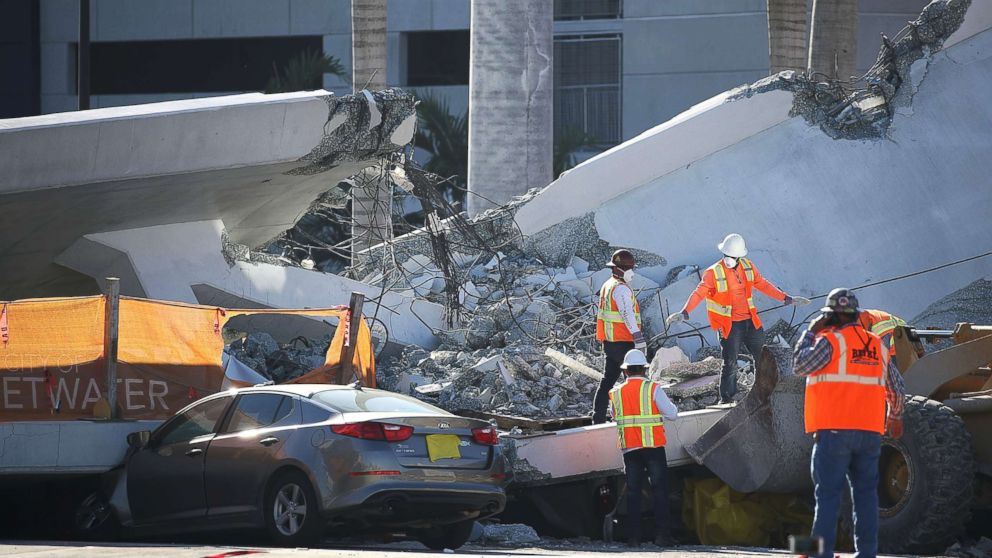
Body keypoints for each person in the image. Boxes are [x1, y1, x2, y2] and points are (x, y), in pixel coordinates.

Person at [793, 288, 906, 558]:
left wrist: (810, 331)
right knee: (866, 496)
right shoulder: (877, 345)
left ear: (830, 317)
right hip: (869, 433)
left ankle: (820, 553)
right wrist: (895, 415)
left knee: (828, 495)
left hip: (833, 432)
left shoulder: (831, 342)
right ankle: (866, 554)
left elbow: (799, 365)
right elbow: (897, 388)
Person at [666, 233, 810, 403]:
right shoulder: (713, 273)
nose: (730, 259)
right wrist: (684, 312)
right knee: (730, 363)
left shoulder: (748, 266)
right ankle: (727, 398)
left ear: (740, 256)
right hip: (729, 325)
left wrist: (786, 298)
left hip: (750, 322)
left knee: (762, 358)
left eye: (734, 257)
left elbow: (763, 284)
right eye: (728, 256)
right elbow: (699, 293)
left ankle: (764, 392)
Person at [609, 348, 679, 547]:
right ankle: (662, 536)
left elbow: (615, 416)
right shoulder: (652, 388)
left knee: (633, 493)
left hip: (630, 449)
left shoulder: (615, 393)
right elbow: (672, 414)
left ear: (625, 371)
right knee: (659, 491)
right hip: (653, 447)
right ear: (645, 370)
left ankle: (633, 538)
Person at [594, 249, 646, 424]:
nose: (632, 271)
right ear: (618, 269)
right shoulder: (621, 289)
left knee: (608, 381)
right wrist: (638, 337)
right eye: (628, 268)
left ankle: (598, 418)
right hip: (624, 342)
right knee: (632, 381)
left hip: (611, 342)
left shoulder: (608, 285)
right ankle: (631, 417)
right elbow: (627, 314)